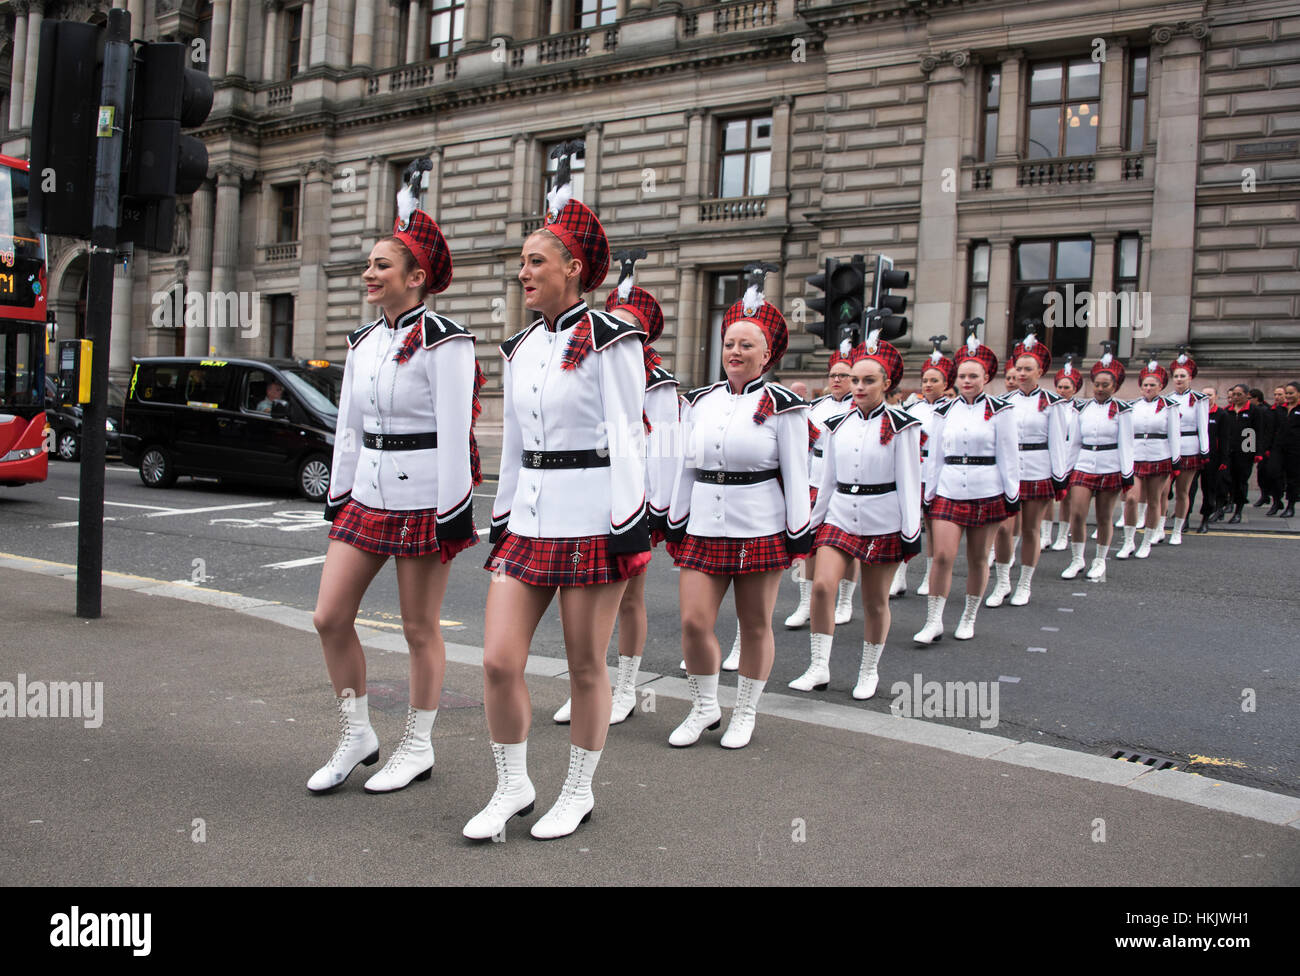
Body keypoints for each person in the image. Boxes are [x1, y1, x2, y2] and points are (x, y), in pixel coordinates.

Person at [466, 146, 651, 841]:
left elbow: (629, 437)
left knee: (583, 665)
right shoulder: (520, 348)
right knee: (497, 660)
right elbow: (515, 444)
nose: (524, 273)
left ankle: (577, 790)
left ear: (573, 269)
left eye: (535, 262)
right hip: (531, 521)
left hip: (592, 520)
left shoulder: (612, 338)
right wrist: (502, 515)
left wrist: (628, 524)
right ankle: (513, 784)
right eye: (521, 263)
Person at [310, 158, 483, 796]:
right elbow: (350, 429)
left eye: (383, 265)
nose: (369, 274)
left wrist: (453, 510)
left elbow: (455, 433)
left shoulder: (447, 342)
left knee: (418, 628)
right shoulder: (362, 343)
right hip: (368, 495)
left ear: (416, 277)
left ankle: (417, 744)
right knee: (329, 616)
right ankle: (356, 731)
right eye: (370, 264)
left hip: (423, 499)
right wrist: (339, 495)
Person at [665, 263, 811, 749]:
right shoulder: (700, 401)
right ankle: (705, 706)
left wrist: (799, 531)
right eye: (729, 343)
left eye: (747, 345)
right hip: (704, 525)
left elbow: (796, 472)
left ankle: (745, 710)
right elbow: (687, 466)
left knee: (754, 625)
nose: (735, 351)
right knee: (693, 622)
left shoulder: (785, 405)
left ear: (766, 354)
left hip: (759, 526)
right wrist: (675, 520)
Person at [552, 250, 678, 727]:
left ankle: (624, 686)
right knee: (576, 595)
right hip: (588, 494)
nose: (618, 329)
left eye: (629, 323)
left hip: (634, 499)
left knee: (627, 599)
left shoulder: (659, 383)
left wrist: (658, 510)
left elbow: (664, 450)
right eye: (612, 319)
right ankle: (586, 682)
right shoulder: (585, 362)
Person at [792, 333, 921, 697]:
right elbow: (827, 480)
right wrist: (811, 525)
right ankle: (819, 666)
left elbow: (910, 483)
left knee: (875, 601)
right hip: (840, 515)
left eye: (868, 381)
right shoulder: (836, 425)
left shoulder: (903, 427)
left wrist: (911, 532)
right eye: (855, 380)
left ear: (886, 383)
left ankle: (868, 671)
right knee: (820, 586)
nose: (859, 387)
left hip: (884, 519)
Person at [915, 328, 1019, 643]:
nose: (967, 381)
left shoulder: (1001, 411)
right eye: (962, 375)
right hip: (948, 489)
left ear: (986, 378)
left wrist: (1011, 495)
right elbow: (935, 457)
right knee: (943, 556)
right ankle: (933, 620)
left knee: (977, 557)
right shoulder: (943, 410)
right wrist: (929, 494)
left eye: (974, 375)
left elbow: (1008, 456)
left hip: (986, 490)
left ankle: (969, 616)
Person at [987, 327, 1071, 607]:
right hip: (1008, 473)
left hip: (1038, 469)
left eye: (1027, 369)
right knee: (1002, 529)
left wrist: (1059, 478)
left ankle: (1024, 583)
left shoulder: (1053, 403)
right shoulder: (1003, 402)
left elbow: (1058, 443)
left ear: (1040, 372)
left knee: (1032, 529)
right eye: (1018, 368)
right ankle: (1002, 582)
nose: (1021, 374)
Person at [783, 342, 858, 630]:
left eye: (844, 375)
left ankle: (845, 601)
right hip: (813, 479)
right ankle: (805, 602)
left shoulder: (857, 408)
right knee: (805, 545)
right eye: (833, 375)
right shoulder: (815, 408)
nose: (837, 380)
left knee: (847, 546)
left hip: (842, 484)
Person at [1060, 344, 1134, 582]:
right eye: (1097, 385)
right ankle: (1077, 558)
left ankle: (1100, 559)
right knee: (1078, 514)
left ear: (1115, 387)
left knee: (1104, 517)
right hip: (1084, 464)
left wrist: (1127, 473)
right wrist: (1066, 470)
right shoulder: (1081, 408)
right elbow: (1074, 442)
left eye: (1106, 385)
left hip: (1110, 465)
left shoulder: (1123, 410)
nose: (1100, 389)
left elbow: (1126, 444)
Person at [897, 336, 955, 596]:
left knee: (933, 526)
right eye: (926, 380)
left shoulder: (951, 409)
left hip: (937, 472)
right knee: (906, 522)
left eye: (935, 380)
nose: (929, 385)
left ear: (946, 384)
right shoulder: (913, 407)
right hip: (914, 469)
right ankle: (899, 575)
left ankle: (930, 576)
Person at [1117, 358, 1180, 560]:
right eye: (1145, 385)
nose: (1149, 388)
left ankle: (1147, 541)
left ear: (1161, 386)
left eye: (1153, 385)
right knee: (1132, 499)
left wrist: (1175, 459)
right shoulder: (1131, 406)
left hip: (1159, 455)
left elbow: (1174, 434)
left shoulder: (1170, 406)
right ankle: (1128, 541)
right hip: (1135, 456)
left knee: (1154, 501)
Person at [1165, 350, 1210, 544]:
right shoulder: (1166, 399)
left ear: (1190, 378)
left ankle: (1178, 529)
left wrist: (1204, 451)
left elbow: (1203, 426)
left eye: (1183, 376)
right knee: (1163, 491)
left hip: (1189, 446)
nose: (1179, 379)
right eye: (1176, 376)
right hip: (1168, 448)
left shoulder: (1199, 399)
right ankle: (1158, 527)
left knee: (1183, 491)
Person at [1048, 354, 1083, 550]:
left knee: (1066, 497)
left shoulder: (1079, 408)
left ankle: (1062, 534)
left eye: (1066, 387)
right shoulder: (1051, 405)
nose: (1062, 391)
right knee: (1047, 498)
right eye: (1059, 387)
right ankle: (1046, 533)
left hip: (1071, 453)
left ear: (1075, 389)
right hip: (1052, 452)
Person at [1221, 384, 1263, 523]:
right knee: (1226, 479)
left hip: (1245, 451)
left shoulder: (1254, 411)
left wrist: (1256, 452)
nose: (1236, 397)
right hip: (1228, 451)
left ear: (1246, 395)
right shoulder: (1227, 411)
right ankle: (1226, 503)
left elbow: (1258, 432)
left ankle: (1238, 510)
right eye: (1234, 395)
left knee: (1240, 481)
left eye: (1239, 395)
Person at [1266, 381, 1300, 518]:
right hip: (1278, 447)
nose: (1288, 396)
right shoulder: (1279, 410)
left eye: (1291, 393)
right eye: (1287, 393)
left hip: (1296, 449)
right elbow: (1271, 430)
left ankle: (1291, 505)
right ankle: (1276, 501)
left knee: (1293, 478)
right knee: (1272, 473)